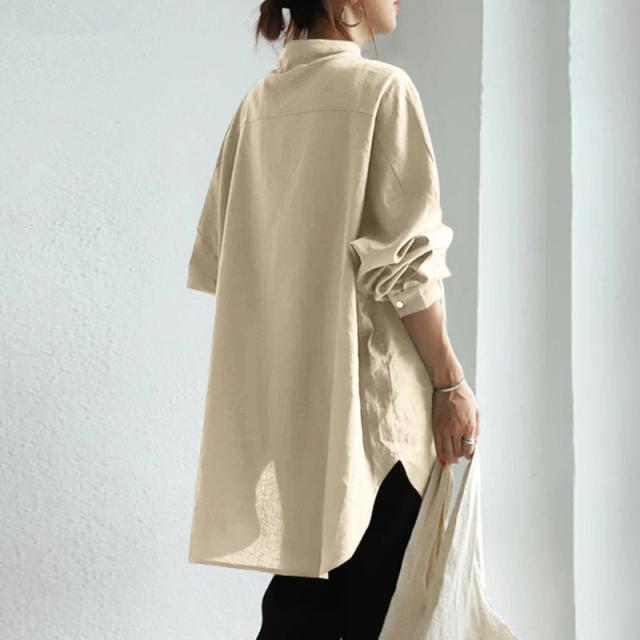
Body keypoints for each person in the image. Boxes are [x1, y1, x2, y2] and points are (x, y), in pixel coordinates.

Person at [185, 0, 480, 637]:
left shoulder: (257, 106)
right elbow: (407, 267)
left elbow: (221, 261)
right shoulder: (382, 89)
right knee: (386, 613)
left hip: (295, 418)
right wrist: (450, 383)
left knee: (300, 612)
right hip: (376, 417)